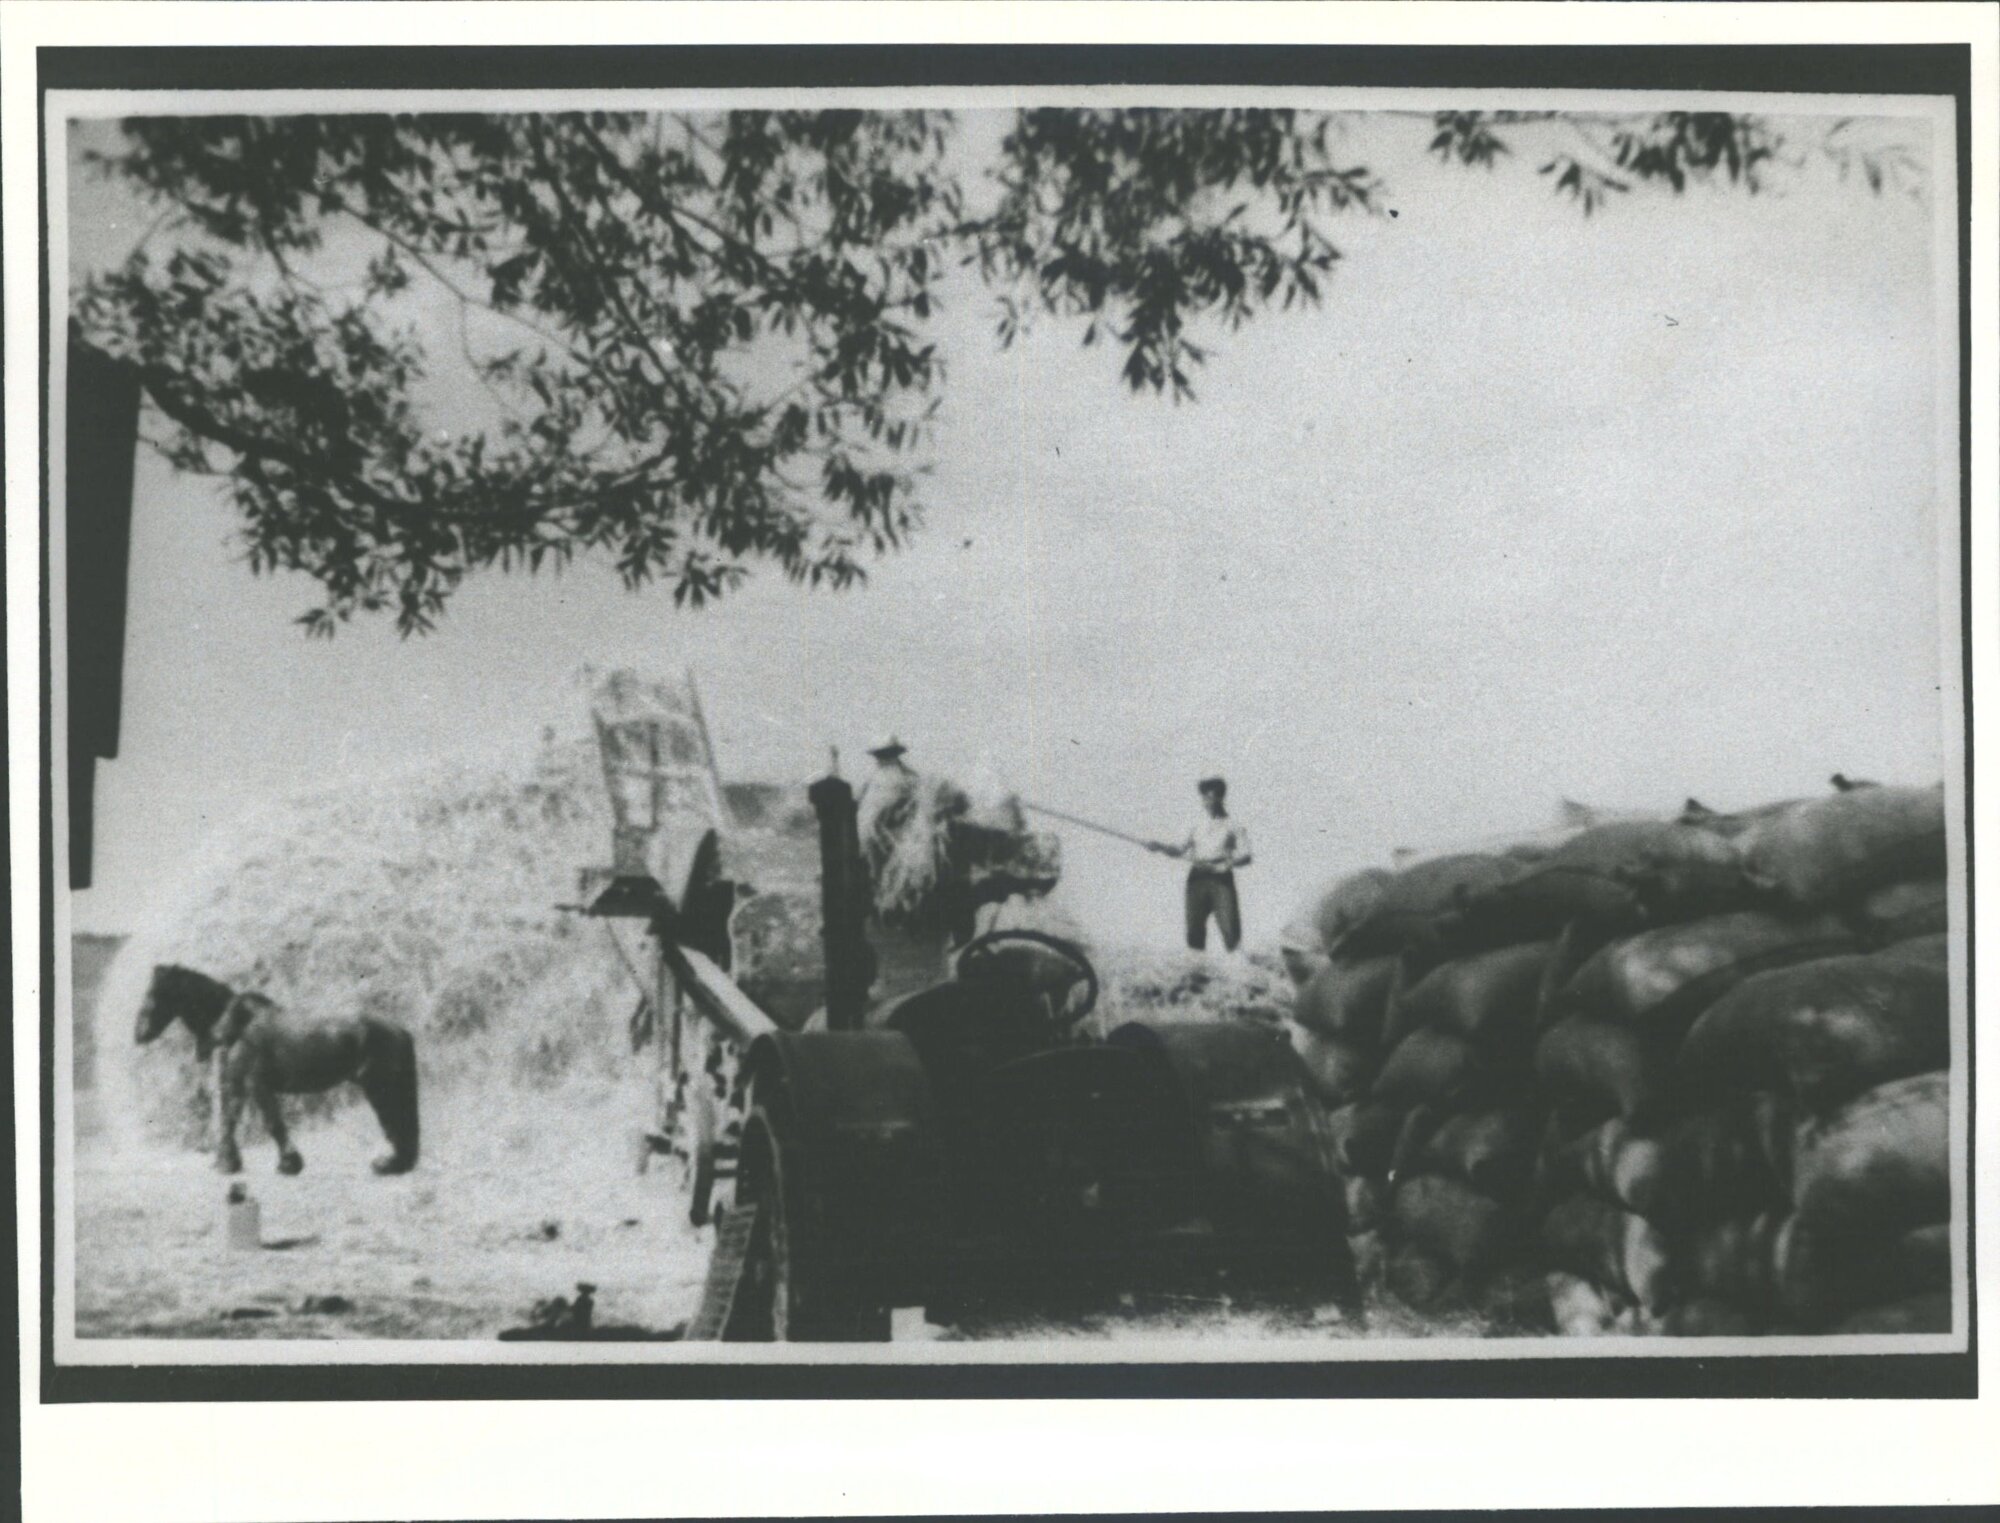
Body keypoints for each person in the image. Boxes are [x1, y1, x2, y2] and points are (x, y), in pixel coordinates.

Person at [1150, 776, 1253, 953]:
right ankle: (1197, 977)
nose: (1206, 802)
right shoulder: (1195, 824)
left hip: (1221, 881)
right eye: (1204, 798)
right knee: (1194, 936)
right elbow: (1179, 849)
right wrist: (1160, 847)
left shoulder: (1234, 825)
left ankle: (1240, 975)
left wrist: (1228, 863)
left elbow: (1246, 856)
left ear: (1221, 798)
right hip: (1197, 879)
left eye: (1211, 797)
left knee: (1231, 935)